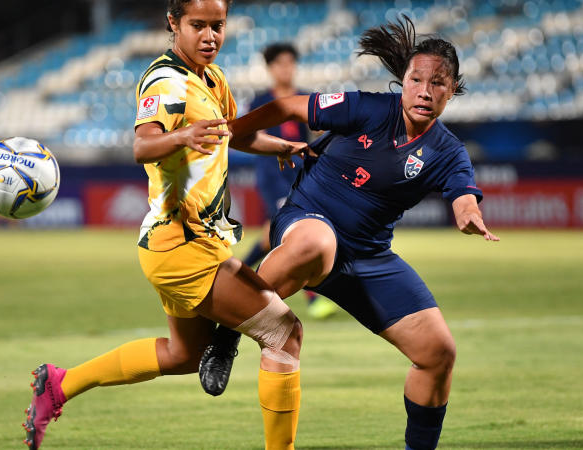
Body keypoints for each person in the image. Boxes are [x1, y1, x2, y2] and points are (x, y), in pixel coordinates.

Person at [201, 16, 500, 450]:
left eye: (437, 83)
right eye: (416, 79)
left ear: (451, 90)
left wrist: (468, 210)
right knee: (317, 243)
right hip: (309, 218)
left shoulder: (447, 151)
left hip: (368, 256)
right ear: (404, 81)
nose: (424, 90)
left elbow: (463, 192)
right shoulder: (368, 107)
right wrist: (232, 132)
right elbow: (287, 107)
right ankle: (228, 333)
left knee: (438, 354)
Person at [22, 1, 307, 449]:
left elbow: (236, 132)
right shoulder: (166, 79)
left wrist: (281, 147)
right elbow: (143, 144)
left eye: (218, 26)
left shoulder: (212, 77)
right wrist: (181, 136)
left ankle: (60, 384)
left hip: (182, 243)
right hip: (182, 247)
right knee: (284, 334)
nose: (210, 35)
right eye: (198, 25)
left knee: (185, 355)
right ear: (173, 23)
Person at [242, 42, 338, 321]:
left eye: (290, 63)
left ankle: (237, 276)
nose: (286, 69)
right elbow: (247, 135)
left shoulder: (305, 98)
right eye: (280, 64)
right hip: (272, 174)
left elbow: (318, 131)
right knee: (296, 230)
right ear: (270, 68)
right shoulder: (261, 101)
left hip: (299, 174)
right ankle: (313, 298)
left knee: (270, 235)